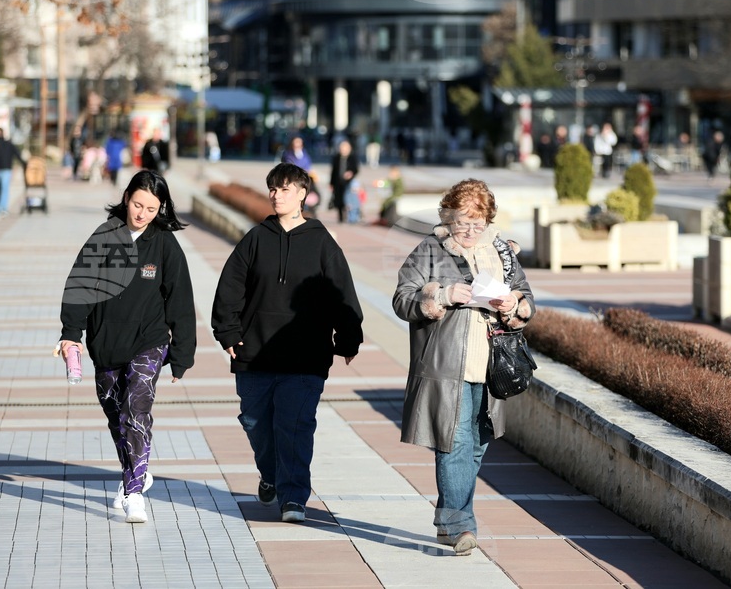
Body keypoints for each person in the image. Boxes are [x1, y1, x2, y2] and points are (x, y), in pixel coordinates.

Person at [211, 162, 363, 524]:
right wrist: (228, 333)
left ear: (302, 194)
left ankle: (293, 497)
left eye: (284, 189)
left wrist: (348, 338)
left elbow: (341, 293)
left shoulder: (322, 241)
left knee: (295, 426)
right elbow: (229, 289)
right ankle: (272, 475)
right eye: (272, 189)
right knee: (254, 422)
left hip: (305, 356)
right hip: (255, 352)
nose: (276, 195)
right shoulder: (256, 238)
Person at [392, 179, 535, 556]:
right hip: (445, 366)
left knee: (476, 446)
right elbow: (403, 299)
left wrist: (514, 305)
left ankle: (447, 519)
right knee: (453, 443)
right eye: (462, 223)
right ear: (447, 217)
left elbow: (526, 295)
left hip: (491, 368)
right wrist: (441, 295)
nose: (470, 232)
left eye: (478, 223)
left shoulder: (502, 251)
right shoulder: (429, 251)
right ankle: (460, 525)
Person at [57, 170, 196, 524]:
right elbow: (79, 288)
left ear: (160, 208)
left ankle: (134, 493)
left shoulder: (163, 244)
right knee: (117, 416)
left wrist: (181, 354)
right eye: (137, 204)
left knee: (136, 408)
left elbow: (180, 299)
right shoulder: (104, 237)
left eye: (151, 208)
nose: (142, 214)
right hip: (105, 343)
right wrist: (71, 332)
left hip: (148, 341)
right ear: (126, 197)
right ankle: (136, 470)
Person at [0, 128, 25, 215]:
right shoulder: (9, 144)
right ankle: (3, 208)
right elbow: (17, 154)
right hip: (6, 170)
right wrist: (24, 164)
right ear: (4, 134)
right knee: (4, 189)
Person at [329, 139, 359, 223]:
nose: (343, 149)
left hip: (348, 183)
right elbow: (333, 171)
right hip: (338, 182)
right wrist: (331, 183)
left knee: (348, 199)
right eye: (342, 147)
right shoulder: (336, 158)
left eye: (345, 147)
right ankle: (340, 216)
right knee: (338, 199)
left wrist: (351, 173)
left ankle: (351, 215)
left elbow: (356, 169)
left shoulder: (352, 158)